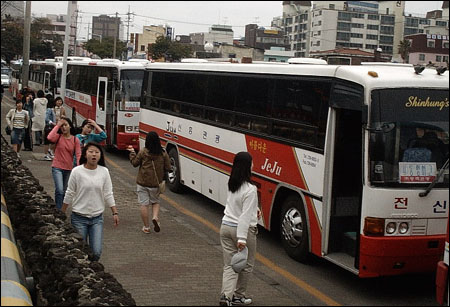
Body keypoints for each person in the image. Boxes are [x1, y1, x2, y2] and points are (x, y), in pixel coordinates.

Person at [62, 142, 119, 261]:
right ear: (85, 154)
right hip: (79, 218)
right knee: (81, 251)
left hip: (97, 218)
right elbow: (70, 192)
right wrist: (62, 212)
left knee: (96, 251)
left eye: (97, 152)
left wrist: (114, 212)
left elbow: (108, 193)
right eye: (91, 152)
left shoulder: (104, 171)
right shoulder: (77, 171)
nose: (94, 155)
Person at [219, 152, 260, 306]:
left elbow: (235, 206)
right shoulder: (251, 189)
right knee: (246, 265)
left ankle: (225, 296)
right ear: (247, 166)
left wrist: (255, 210)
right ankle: (238, 296)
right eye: (252, 162)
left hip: (225, 227)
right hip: (242, 231)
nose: (253, 165)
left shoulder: (231, 183)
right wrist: (242, 239)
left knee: (229, 265)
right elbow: (244, 216)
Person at [127, 132, 171, 234]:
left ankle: (146, 227)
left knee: (144, 204)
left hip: (142, 183)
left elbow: (134, 163)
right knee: (155, 202)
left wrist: (132, 152)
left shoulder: (143, 152)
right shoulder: (163, 153)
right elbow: (168, 168)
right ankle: (155, 217)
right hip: (155, 184)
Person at [47, 117, 81, 210]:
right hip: (57, 167)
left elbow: (78, 154)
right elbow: (49, 137)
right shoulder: (58, 137)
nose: (64, 128)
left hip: (68, 168)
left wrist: (79, 167)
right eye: (62, 126)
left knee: (64, 191)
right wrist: (57, 125)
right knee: (60, 190)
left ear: (70, 126)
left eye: (66, 125)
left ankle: (60, 207)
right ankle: (59, 210)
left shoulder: (75, 140)